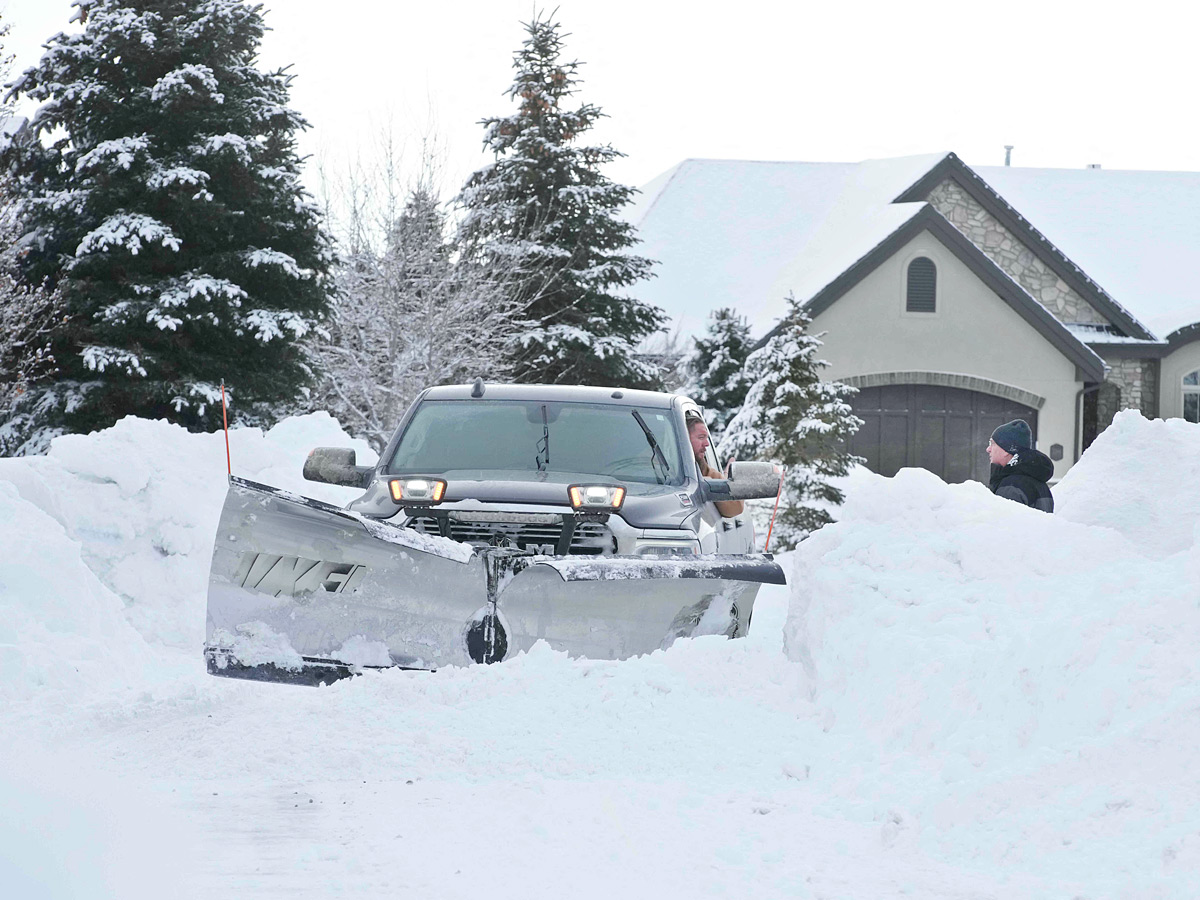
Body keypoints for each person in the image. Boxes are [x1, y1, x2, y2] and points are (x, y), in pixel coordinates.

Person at [986, 419, 1054, 512]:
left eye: (992, 443)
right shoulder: (1039, 483)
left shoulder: (1011, 487)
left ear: (1007, 449)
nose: (988, 449)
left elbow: (1004, 524)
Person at [686, 414, 745, 517]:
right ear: (683, 438)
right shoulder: (657, 468)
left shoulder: (704, 469)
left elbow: (735, 508)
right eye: (701, 437)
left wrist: (711, 484)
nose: (707, 443)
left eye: (706, 437)